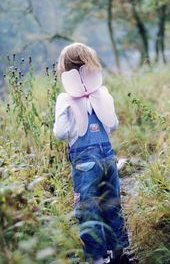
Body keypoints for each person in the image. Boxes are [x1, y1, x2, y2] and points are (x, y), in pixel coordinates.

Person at [53, 43, 129, 264]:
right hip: (107, 157)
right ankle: (120, 251)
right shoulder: (102, 93)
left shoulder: (65, 99)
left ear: (65, 70)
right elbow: (112, 125)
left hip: (83, 163)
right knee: (112, 204)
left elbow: (60, 132)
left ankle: (97, 256)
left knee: (88, 208)